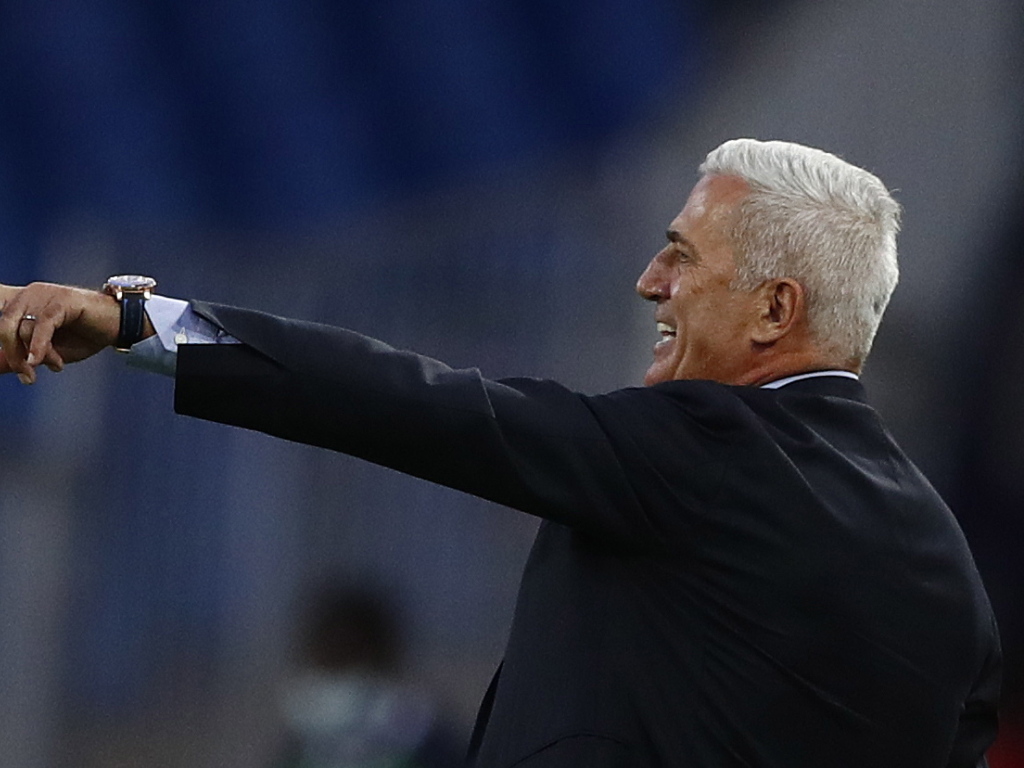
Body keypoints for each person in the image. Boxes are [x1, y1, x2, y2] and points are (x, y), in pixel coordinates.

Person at [0, 139, 1001, 767]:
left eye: (684, 254)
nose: (650, 280)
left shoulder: (705, 450)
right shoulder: (946, 567)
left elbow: (419, 405)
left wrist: (138, 326)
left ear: (775, 310)